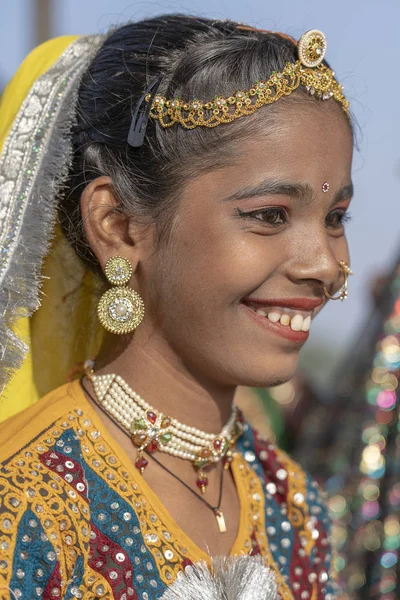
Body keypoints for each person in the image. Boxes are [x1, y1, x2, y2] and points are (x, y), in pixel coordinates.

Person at [0, 15, 354, 599]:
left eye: (336, 217)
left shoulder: (296, 507)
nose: (322, 263)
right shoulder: (25, 508)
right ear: (117, 225)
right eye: (269, 215)